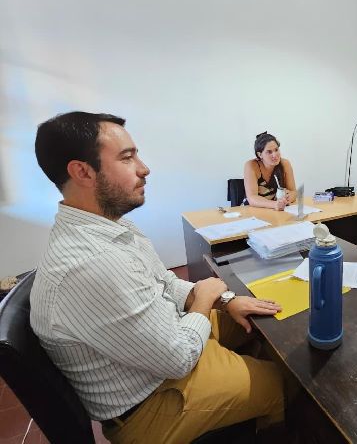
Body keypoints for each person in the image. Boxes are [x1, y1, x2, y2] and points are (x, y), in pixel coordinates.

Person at [31, 111, 286, 443]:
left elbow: (165, 283)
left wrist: (225, 300)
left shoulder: (111, 227)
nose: (144, 168)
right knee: (279, 380)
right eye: (127, 157)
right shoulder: (92, 262)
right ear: (83, 171)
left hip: (162, 348)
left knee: (253, 321)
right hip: (151, 402)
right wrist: (205, 298)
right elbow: (179, 358)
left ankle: (245, 388)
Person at [243, 131, 297, 210]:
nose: (274, 155)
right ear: (260, 154)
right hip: (253, 210)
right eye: (269, 152)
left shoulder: (285, 164)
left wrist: (287, 198)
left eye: (276, 150)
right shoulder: (251, 165)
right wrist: (275, 204)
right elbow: (252, 198)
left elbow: (293, 192)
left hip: (276, 211)